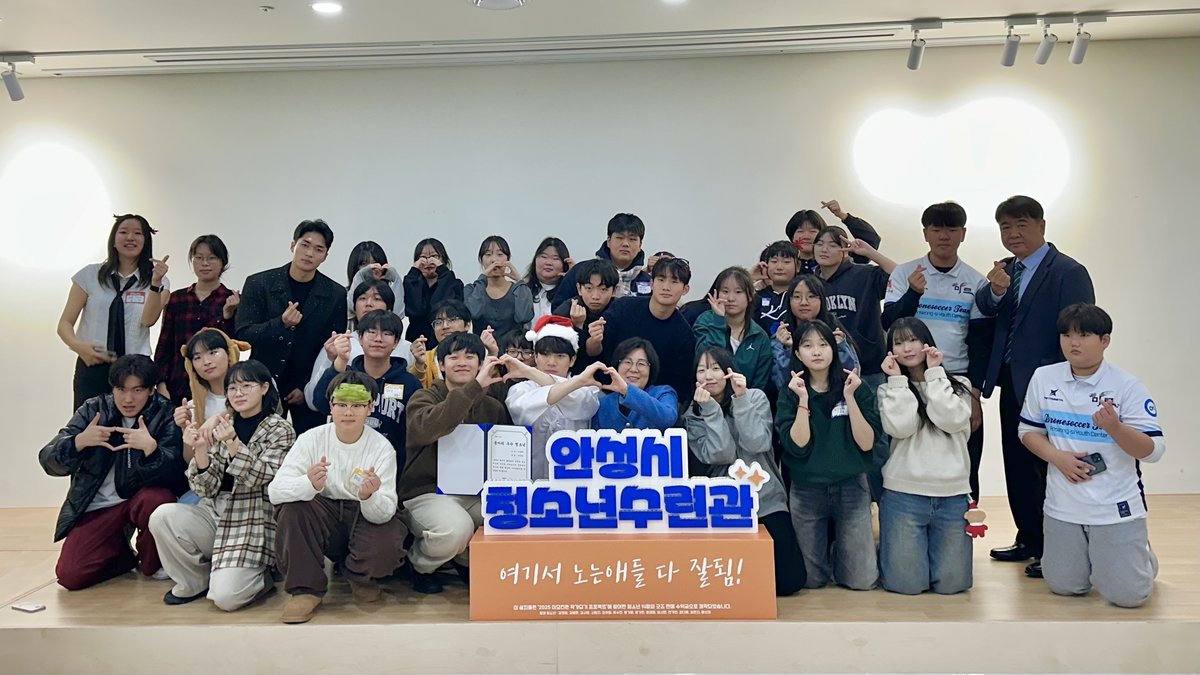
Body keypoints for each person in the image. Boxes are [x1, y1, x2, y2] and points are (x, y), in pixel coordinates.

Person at [975, 195, 1095, 578]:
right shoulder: (1006, 269)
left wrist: (1072, 383)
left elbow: (1081, 329)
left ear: (1041, 226)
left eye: (1021, 225)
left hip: (1053, 386)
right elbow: (985, 307)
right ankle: (1028, 537)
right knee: (1017, 463)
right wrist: (995, 290)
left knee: (1049, 467)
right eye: (1006, 227)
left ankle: (1057, 548)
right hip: (1011, 381)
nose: (1013, 233)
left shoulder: (1068, 271)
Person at [1018, 304, 1164, 608]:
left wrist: (1115, 428)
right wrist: (1057, 458)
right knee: (1065, 586)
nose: (1073, 343)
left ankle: (1141, 556)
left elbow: (1153, 451)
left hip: (1113, 505)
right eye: (1066, 335)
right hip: (1062, 506)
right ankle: (1106, 557)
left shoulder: (1127, 386)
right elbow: (1028, 431)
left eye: (1084, 335)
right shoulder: (1044, 378)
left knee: (1129, 597)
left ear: (1105, 340)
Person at [148, 360, 296, 610]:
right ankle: (195, 581)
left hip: (253, 518)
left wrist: (233, 443)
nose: (238, 393)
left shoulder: (281, 429)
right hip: (216, 511)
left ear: (264, 388)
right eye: (232, 388)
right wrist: (200, 449)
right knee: (163, 516)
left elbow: (262, 477)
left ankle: (264, 575)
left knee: (227, 599)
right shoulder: (222, 425)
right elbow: (204, 489)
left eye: (246, 386)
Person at [269, 372, 407, 624]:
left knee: (390, 532)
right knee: (293, 510)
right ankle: (305, 590)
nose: (348, 412)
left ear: (370, 408)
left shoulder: (382, 448)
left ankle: (361, 577)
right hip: (323, 513)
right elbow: (275, 491)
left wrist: (369, 497)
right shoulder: (310, 439)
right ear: (331, 406)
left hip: (361, 516)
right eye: (341, 404)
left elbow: (386, 510)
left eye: (357, 405)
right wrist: (308, 484)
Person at [38, 355, 186, 590]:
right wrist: (79, 441)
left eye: (137, 390)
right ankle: (121, 555)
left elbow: (177, 475)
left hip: (140, 500)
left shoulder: (165, 413)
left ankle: (151, 559)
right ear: (112, 388)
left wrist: (152, 450)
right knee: (70, 576)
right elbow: (48, 459)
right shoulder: (93, 409)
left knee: (158, 500)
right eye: (121, 389)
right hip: (99, 506)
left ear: (151, 390)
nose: (128, 399)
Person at [882, 202, 992, 503]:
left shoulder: (976, 282)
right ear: (925, 233)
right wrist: (913, 294)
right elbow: (889, 322)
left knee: (965, 459)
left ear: (963, 234)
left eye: (952, 229)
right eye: (937, 229)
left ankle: (967, 521)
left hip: (956, 379)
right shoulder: (905, 273)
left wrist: (975, 396)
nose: (944, 236)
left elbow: (981, 342)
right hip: (910, 379)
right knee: (907, 451)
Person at [683, 347, 805, 596]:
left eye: (716, 368)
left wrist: (741, 399)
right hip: (724, 506)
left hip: (766, 500)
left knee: (790, 581)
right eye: (702, 370)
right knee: (731, 582)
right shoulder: (693, 414)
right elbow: (721, 454)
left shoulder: (755, 397)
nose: (709, 376)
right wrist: (710, 411)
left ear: (729, 371)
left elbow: (757, 443)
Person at [401, 332, 510, 594]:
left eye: (470, 357)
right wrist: (473, 389)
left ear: (481, 364)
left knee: (508, 519)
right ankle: (419, 565)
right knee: (455, 529)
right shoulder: (423, 398)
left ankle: (464, 559)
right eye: (453, 357)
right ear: (440, 364)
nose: (462, 362)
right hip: (427, 493)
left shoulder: (493, 407)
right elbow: (427, 428)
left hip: (475, 493)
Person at [776, 320, 880, 590]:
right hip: (807, 488)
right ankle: (833, 554)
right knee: (810, 580)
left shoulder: (855, 386)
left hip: (851, 485)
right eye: (807, 346)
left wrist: (851, 398)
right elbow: (798, 446)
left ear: (834, 349)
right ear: (798, 354)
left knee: (862, 581)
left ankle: (842, 553)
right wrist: (803, 400)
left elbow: (866, 443)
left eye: (823, 344)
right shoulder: (790, 393)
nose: (816, 351)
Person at [876, 318, 974, 595]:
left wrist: (934, 375)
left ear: (926, 342)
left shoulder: (958, 384)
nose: (907, 348)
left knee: (953, 585)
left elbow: (952, 421)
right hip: (903, 494)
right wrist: (897, 380)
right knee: (906, 585)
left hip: (952, 495)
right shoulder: (888, 388)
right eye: (898, 343)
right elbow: (901, 427)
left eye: (913, 340)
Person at [236, 219, 347, 435]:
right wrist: (281, 324)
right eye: (305, 245)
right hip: (262, 384)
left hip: (306, 388)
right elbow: (243, 334)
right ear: (292, 246)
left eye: (318, 249)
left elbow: (329, 347)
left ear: (325, 255)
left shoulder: (335, 293)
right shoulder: (259, 283)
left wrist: (307, 386)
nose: (309, 253)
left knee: (311, 447)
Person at [814, 224, 897, 500]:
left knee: (876, 440)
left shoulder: (865, 274)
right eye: (820, 243)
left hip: (869, 371)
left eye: (832, 244)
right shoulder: (811, 284)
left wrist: (871, 253)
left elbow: (901, 276)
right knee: (837, 438)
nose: (824, 249)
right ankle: (852, 505)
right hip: (827, 374)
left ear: (844, 249)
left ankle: (884, 505)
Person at [58, 214, 171, 410]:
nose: (130, 238)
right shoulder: (89, 275)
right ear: (113, 239)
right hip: (93, 363)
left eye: (138, 233)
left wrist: (155, 284)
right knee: (89, 421)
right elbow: (64, 323)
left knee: (132, 425)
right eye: (124, 232)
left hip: (135, 368)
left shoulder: (159, 280)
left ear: (146, 240)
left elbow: (148, 320)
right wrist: (79, 347)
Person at [314, 310, 422, 468]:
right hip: (344, 461)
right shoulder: (347, 377)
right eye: (371, 332)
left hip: (390, 464)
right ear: (360, 338)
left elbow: (414, 432)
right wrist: (340, 360)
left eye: (387, 333)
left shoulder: (410, 383)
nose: (378, 339)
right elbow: (321, 404)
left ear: (396, 342)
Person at [504, 315, 604, 479]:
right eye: (545, 355)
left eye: (560, 356)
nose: (551, 362)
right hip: (529, 481)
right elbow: (522, 413)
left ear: (572, 360)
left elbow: (580, 404)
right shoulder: (520, 389)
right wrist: (578, 380)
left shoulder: (587, 389)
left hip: (575, 479)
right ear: (536, 357)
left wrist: (529, 371)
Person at [154, 234, 239, 403]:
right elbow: (165, 344)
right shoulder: (177, 298)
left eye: (212, 258)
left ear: (222, 262)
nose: (205, 263)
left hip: (218, 388)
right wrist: (160, 383)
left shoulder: (232, 300)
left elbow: (234, 347)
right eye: (198, 258)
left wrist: (228, 316)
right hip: (178, 384)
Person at [304, 278, 411, 411]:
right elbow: (314, 401)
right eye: (362, 298)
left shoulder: (407, 348)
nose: (368, 304)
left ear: (389, 309)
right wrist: (333, 361)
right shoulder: (339, 343)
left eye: (377, 299)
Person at [600, 257, 696, 404]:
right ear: (651, 283)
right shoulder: (622, 309)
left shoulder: (684, 335)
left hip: (650, 402)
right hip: (607, 391)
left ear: (685, 289)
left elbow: (679, 385)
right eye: (661, 280)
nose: (666, 287)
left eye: (674, 281)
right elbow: (600, 351)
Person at [771, 274, 861, 393]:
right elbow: (781, 383)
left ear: (821, 300)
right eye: (797, 296)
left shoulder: (835, 331)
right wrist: (787, 349)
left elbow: (852, 376)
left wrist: (839, 347)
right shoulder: (781, 336)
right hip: (794, 400)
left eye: (811, 296)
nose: (804, 302)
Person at [694, 266, 774, 392]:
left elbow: (759, 385)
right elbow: (705, 358)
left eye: (738, 292)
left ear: (750, 296)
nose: (730, 298)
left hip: (746, 398)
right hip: (707, 395)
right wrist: (719, 321)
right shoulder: (705, 321)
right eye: (725, 291)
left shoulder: (759, 336)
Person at [553, 213, 658, 305]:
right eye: (619, 238)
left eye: (632, 239)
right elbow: (558, 308)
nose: (625, 244)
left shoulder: (648, 281)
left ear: (640, 245)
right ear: (608, 241)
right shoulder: (581, 271)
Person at [593, 338, 679, 431]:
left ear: (651, 369)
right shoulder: (603, 403)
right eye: (627, 362)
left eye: (641, 364)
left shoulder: (663, 393)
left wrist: (627, 390)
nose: (633, 369)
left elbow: (668, 418)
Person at [551, 258, 618, 375]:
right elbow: (558, 352)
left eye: (603, 289)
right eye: (589, 288)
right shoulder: (565, 311)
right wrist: (577, 327)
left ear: (614, 290)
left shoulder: (619, 310)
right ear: (579, 289)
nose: (595, 296)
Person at [464, 235, 535, 339]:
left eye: (500, 254)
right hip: (481, 347)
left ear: (508, 259)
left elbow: (524, 317)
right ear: (481, 260)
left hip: (512, 347)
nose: (494, 260)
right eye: (488, 254)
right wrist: (483, 277)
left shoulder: (519, 289)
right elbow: (473, 313)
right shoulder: (472, 289)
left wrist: (520, 281)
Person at [785, 200, 882, 274]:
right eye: (800, 231)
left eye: (812, 231)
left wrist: (842, 215)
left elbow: (872, 240)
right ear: (792, 237)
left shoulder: (840, 260)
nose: (806, 236)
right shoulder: (786, 267)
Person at [402, 238, 464, 347]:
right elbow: (415, 310)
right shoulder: (412, 283)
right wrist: (414, 272)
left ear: (443, 260)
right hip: (416, 340)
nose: (429, 261)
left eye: (434, 256)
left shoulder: (453, 283)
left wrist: (443, 271)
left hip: (445, 340)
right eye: (423, 257)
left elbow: (439, 309)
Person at [408, 299, 474, 389]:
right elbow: (414, 390)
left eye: (452, 320)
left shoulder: (479, 353)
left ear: (467, 325)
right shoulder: (426, 358)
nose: (445, 326)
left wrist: (491, 352)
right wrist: (419, 365)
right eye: (439, 322)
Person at [345, 240, 404, 323]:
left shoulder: (389, 294)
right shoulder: (343, 293)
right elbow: (351, 307)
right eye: (364, 264)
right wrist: (360, 275)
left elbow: (397, 315)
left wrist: (396, 279)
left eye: (375, 263)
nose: (371, 267)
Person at [750, 240, 800, 336]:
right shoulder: (758, 296)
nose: (779, 267)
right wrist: (750, 278)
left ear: (797, 266)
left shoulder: (801, 295)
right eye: (774, 261)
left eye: (786, 262)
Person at [523, 237, 572, 322]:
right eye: (544, 257)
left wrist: (573, 277)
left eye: (555, 258)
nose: (549, 263)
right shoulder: (523, 289)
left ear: (565, 264)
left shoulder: (570, 293)